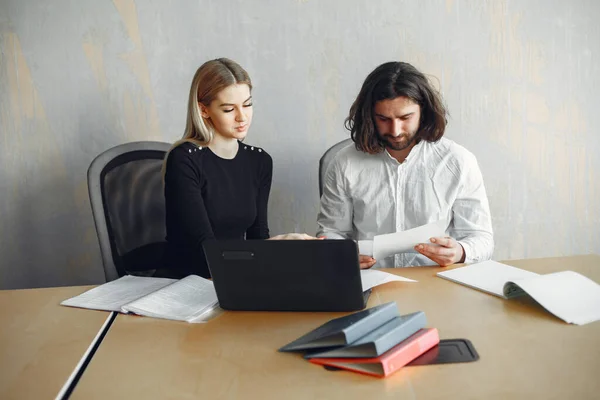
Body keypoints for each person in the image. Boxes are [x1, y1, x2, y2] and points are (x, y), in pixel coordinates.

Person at [317, 61, 494, 269]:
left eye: (405, 117)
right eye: (383, 119)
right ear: (369, 116)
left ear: (423, 111)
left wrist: (460, 252)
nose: (395, 130)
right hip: (369, 282)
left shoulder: (458, 161)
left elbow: (482, 239)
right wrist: (341, 255)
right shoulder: (344, 163)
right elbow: (331, 232)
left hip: (436, 283)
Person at [164, 58, 315, 278]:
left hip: (235, 276)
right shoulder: (184, 160)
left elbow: (257, 239)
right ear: (204, 110)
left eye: (247, 104)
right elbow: (205, 252)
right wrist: (280, 243)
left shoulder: (259, 161)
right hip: (191, 282)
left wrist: (284, 248)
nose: (242, 117)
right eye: (228, 109)